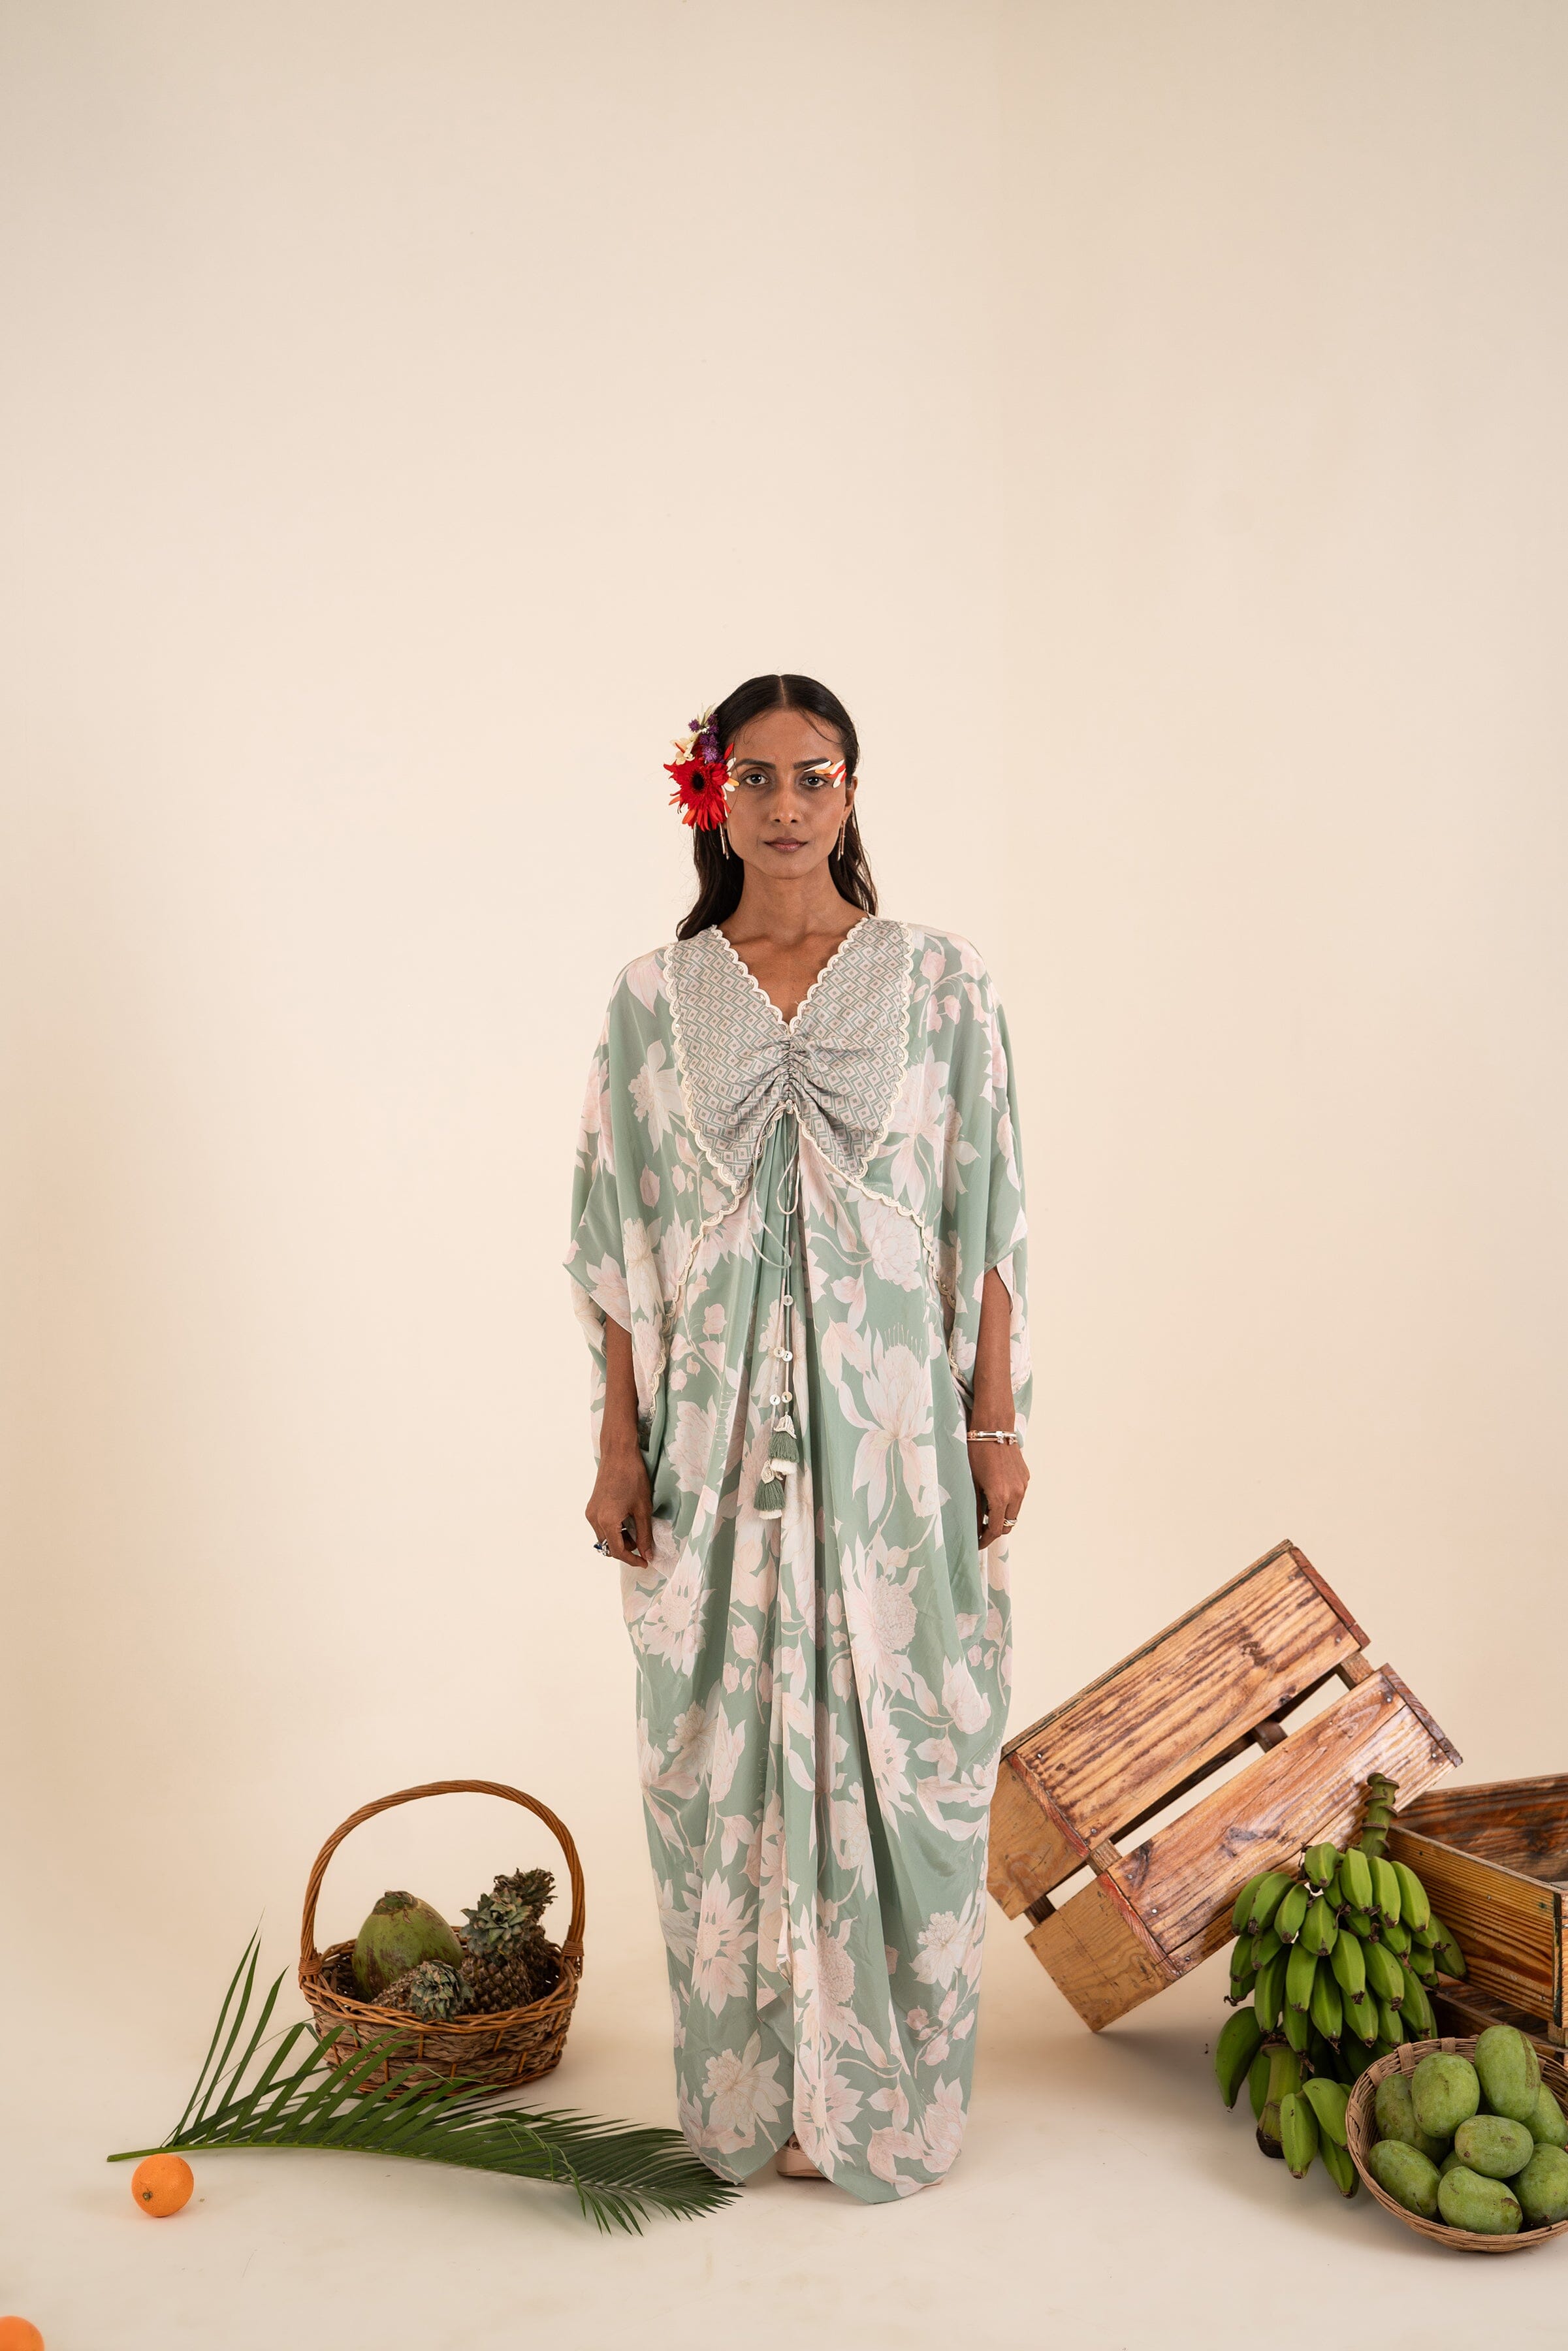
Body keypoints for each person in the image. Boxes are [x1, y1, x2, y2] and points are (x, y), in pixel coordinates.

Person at [566, 673, 1030, 2203]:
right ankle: (753, 2083)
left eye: (812, 774)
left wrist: (991, 1417)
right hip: (715, 1441)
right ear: (710, 796)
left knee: (911, 1722)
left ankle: (877, 2091)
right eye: (753, 777)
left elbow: (985, 1206)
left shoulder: (938, 980)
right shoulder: (653, 995)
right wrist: (619, 1447)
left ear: (850, 791)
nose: (783, 805)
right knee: (718, 1739)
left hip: (892, 1440)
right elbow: (617, 1237)